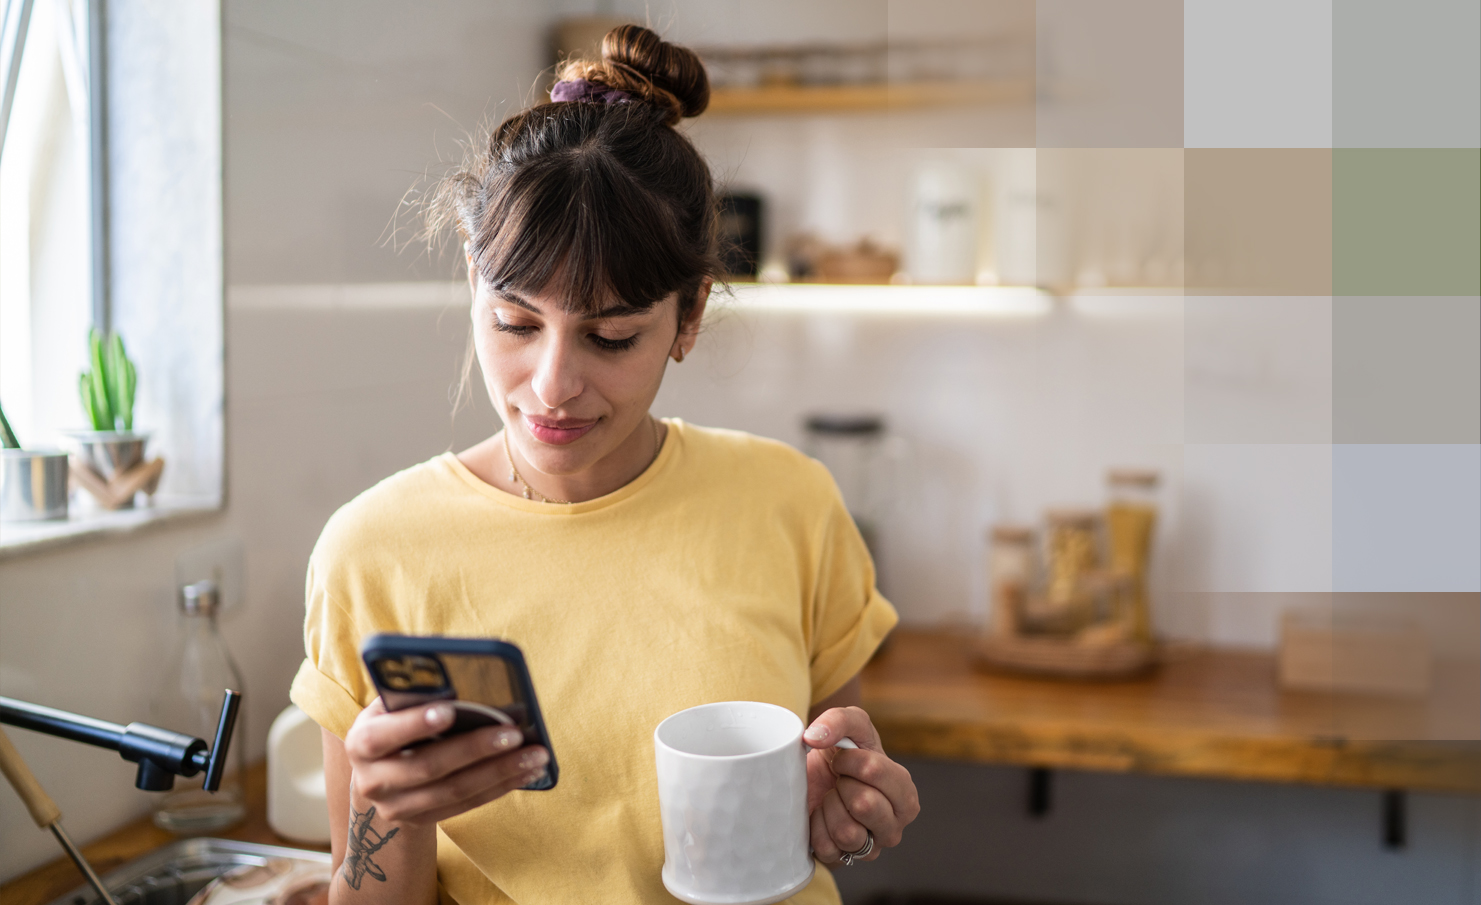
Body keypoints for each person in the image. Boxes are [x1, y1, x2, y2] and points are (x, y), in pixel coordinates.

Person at [289, 24, 919, 905]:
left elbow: (833, 773)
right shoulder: (373, 550)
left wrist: (847, 808)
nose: (551, 385)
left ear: (689, 315)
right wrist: (390, 812)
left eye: (611, 334)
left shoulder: (789, 501)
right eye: (514, 322)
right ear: (473, 280)